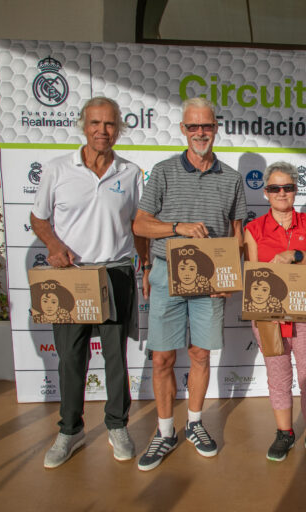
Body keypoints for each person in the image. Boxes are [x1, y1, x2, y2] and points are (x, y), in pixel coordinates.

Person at [30, 96, 149, 468]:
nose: (103, 131)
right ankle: (70, 430)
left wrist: (144, 263)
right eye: (96, 123)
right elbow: (39, 218)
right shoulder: (56, 169)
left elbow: (139, 224)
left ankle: (116, 425)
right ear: (83, 125)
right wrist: (53, 245)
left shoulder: (130, 172)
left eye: (110, 124)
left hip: (115, 273)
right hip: (70, 278)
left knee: (116, 359)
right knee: (70, 359)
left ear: (119, 129)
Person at [132, 97, 247, 471]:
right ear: (183, 129)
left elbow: (237, 232)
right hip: (168, 272)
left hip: (211, 278)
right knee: (163, 357)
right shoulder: (163, 171)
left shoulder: (231, 177)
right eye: (193, 127)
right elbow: (140, 224)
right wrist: (176, 228)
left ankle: (195, 424)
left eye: (207, 126)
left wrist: (231, 274)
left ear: (216, 128)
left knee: (200, 354)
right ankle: (165, 432)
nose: (201, 133)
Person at [244, 161, 306, 465]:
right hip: (269, 316)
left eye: (288, 187)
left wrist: (296, 255)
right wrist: (265, 312)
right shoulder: (253, 230)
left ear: (296, 190)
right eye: (275, 188)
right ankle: (284, 432)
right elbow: (254, 276)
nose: (282, 193)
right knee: (277, 375)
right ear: (266, 193)